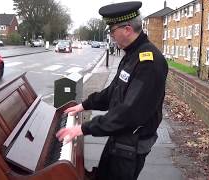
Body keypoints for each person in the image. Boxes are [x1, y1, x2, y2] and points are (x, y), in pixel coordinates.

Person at [56, 1, 168, 180]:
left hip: (132, 144)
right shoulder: (132, 54)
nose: (111, 35)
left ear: (127, 29)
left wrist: (84, 129)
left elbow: (130, 111)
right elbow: (113, 91)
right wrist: (84, 105)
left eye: (112, 30)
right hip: (121, 137)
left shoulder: (149, 62)